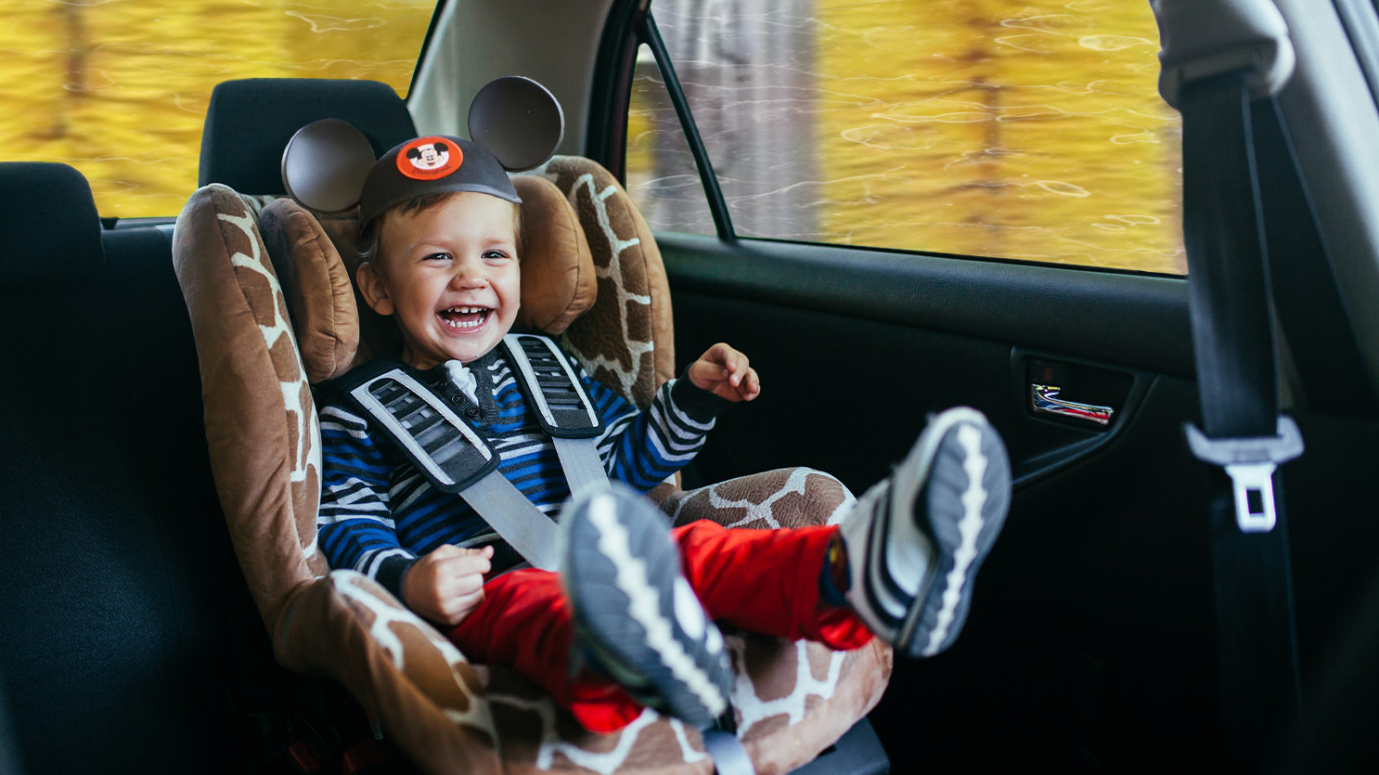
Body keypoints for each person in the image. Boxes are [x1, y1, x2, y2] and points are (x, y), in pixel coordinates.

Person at [316, 133, 1012, 734]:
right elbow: (347, 524)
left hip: (615, 557)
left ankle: (858, 578)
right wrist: (411, 581)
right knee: (543, 609)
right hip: (487, 590)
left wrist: (692, 400)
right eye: (438, 259)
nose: (472, 275)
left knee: (700, 551)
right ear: (377, 290)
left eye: (496, 256)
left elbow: (625, 460)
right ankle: (632, 660)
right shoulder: (359, 409)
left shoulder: (544, 362)